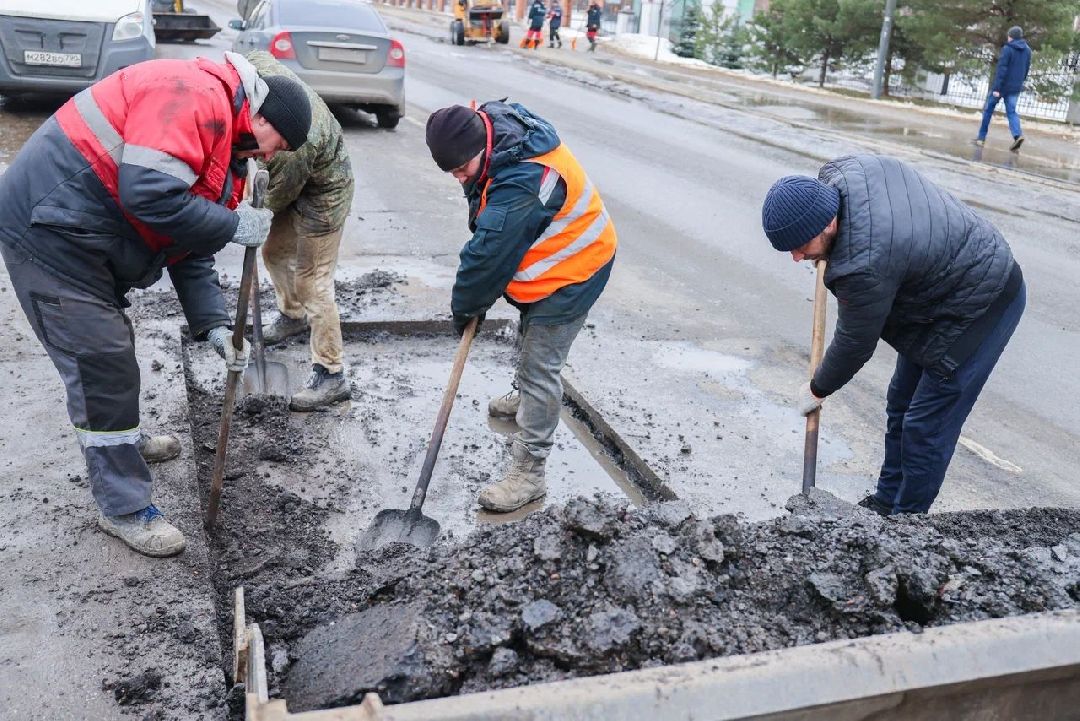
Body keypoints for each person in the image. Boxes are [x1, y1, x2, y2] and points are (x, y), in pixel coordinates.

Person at [0, 53, 312, 557]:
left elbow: (186, 244)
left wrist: (212, 325)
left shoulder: (227, 151)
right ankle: (122, 507)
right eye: (281, 146)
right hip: (47, 230)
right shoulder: (194, 94)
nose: (273, 159)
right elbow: (148, 194)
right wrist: (234, 226)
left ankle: (122, 438)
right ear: (263, 121)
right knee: (102, 360)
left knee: (113, 347)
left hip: (87, 232)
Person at [761, 155, 1025, 516]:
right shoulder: (841, 176)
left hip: (982, 303)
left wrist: (817, 388)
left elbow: (855, 343)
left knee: (924, 426)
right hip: (938, 295)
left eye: (799, 246)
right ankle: (886, 502)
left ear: (826, 223)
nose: (796, 257)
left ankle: (907, 527)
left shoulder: (864, 263)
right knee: (901, 400)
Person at [425, 101, 616, 513]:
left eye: (462, 169)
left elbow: (488, 255)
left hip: (576, 269)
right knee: (528, 333)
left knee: (540, 365)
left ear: (481, 148)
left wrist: (467, 308)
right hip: (545, 259)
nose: (459, 178)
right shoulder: (490, 133)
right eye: (452, 172)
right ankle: (525, 396)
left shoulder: (526, 179)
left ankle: (529, 473)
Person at [247, 52, 355, 412]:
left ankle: (331, 372)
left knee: (312, 279)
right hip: (299, 174)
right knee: (273, 252)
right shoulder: (255, 75)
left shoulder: (288, 149)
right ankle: (292, 316)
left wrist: (245, 217)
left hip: (326, 189)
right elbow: (256, 54)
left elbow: (273, 198)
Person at [974, 26, 1032, 152]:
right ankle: (1017, 135)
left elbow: (1002, 70)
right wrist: (1020, 83)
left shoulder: (1008, 49)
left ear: (1011, 36)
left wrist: (996, 88)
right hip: (1015, 87)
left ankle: (981, 138)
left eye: (1009, 36)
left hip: (1002, 87)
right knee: (1011, 112)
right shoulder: (1027, 51)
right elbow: (1026, 69)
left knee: (988, 110)